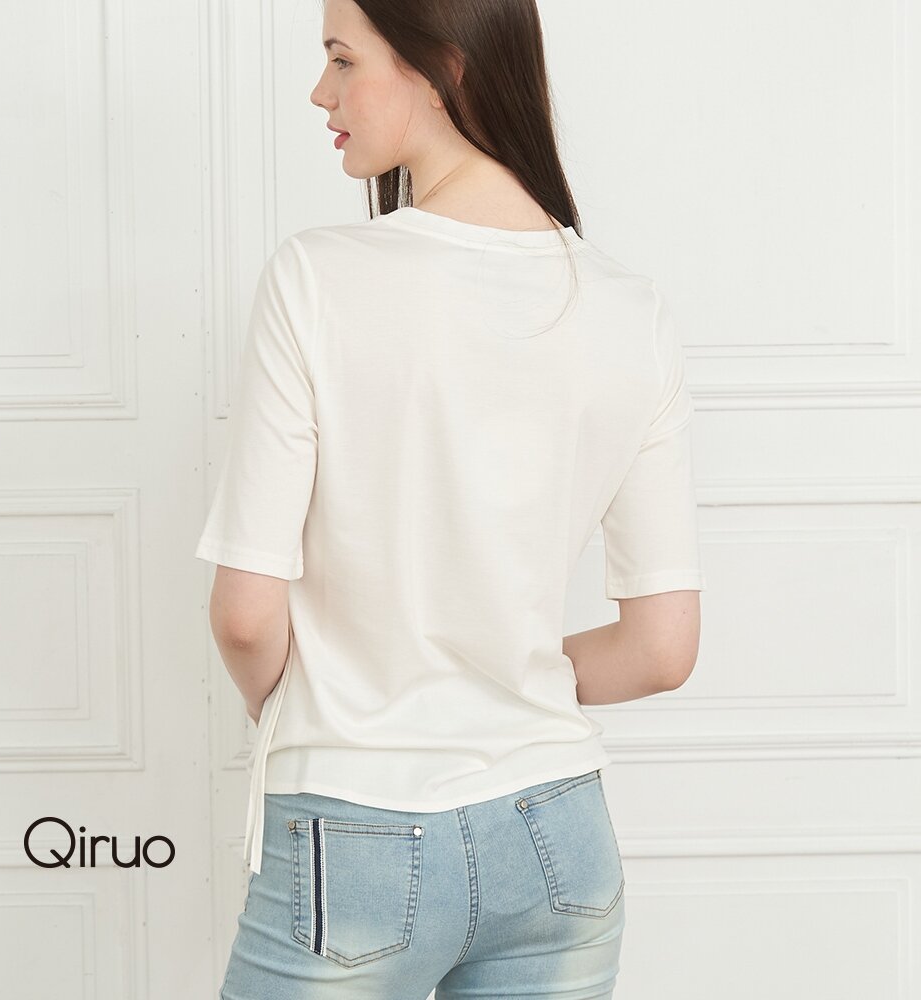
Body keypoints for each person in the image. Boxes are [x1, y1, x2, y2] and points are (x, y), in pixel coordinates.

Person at [195, 0, 706, 996]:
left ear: (443, 68)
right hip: (560, 836)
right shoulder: (630, 311)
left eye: (343, 60)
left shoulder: (318, 278)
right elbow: (661, 649)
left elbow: (245, 616)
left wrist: (304, 702)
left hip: (354, 825)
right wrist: (491, 670)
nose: (320, 92)